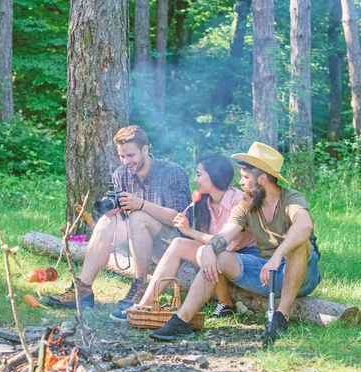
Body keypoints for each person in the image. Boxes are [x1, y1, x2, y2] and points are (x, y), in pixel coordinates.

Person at [148, 142, 320, 345]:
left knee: (300, 244)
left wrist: (277, 257)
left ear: (262, 179)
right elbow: (225, 235)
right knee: (218, 257)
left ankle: (280, 317)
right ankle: (181, 321)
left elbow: (304, 226)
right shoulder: (246, 205)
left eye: (245, 177)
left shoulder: (291, 198)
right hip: (264, 271)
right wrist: (209, 250)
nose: (240, 182)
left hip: (301, 275)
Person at [44, 125, 190, 314]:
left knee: (138, 216)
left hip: (170, 244)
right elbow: (123, 218)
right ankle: (83, 290)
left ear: (145, 150)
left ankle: (140, 286)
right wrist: (113, 212)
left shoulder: (172, 172)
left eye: (130, 155)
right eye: (121, 156)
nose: (126, 161)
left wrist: (141, 204)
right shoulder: (121, 174)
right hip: (137, 241)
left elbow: (179, 220)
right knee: (106, 222)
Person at [109, 153, 256, 322]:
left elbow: (229, 245)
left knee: (209, 251)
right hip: (213, 256)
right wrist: (185, 228)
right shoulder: (203, 201)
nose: (195, 179)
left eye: (199, 174)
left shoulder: (238, 201)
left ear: (215, 176)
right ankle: (143, 305)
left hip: (241, 259)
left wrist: (189, 231)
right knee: (179, 243)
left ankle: (225, 304)